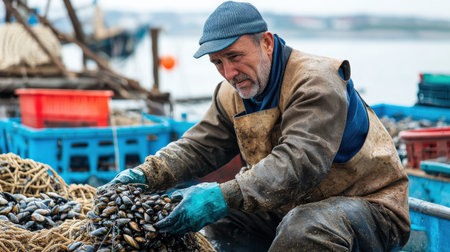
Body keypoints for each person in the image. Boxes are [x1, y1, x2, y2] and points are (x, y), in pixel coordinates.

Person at [98, 1, 410, 251]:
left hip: (370, 207)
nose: (229, 72)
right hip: (292, 204)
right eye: (218, 63)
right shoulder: (231, 94)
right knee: (225, 218)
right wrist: (144, 175)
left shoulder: (316, 82)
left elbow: (298, 164)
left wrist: (223, 194)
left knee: (305, 228)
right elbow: (199, 147)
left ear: (267, 42)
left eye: (235, 56)